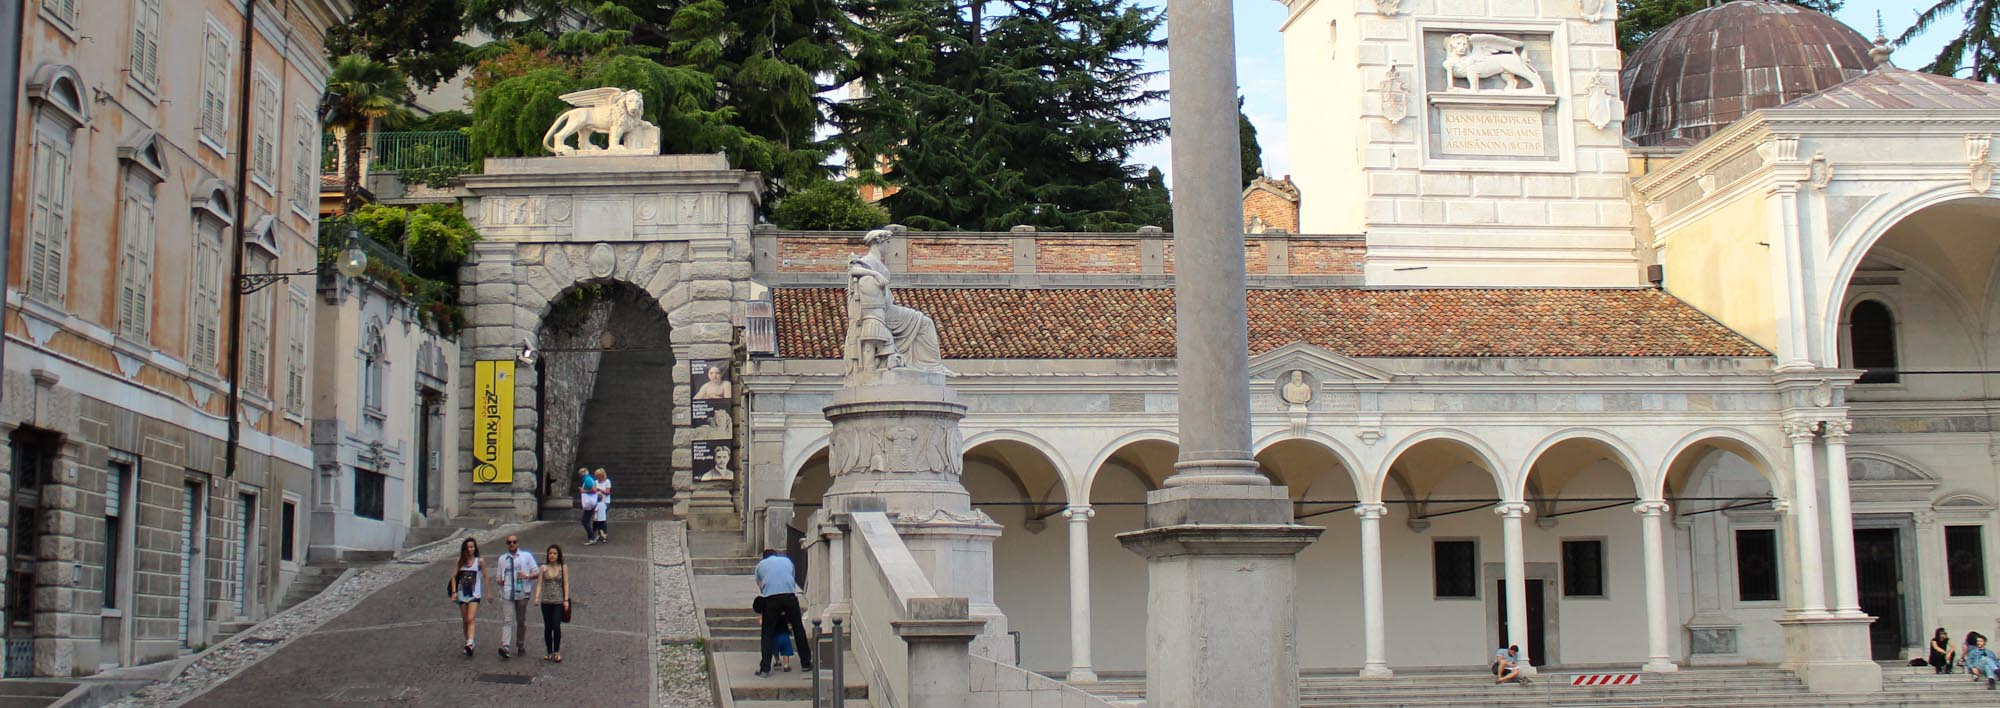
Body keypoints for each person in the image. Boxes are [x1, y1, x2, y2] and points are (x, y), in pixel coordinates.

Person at [753, 549, 813, 678]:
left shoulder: (760, 565)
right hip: (789, 596)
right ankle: (806, 663)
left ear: (764, 558)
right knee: (798, 628)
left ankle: (765, 669)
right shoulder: (787, 561)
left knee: (767, 632)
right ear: (776, 555)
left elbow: (761, 585)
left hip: (771, 598)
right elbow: (791, 577)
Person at [494, 534, 541, 659]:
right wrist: (500, 581)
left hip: (522, 593)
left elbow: (536, 572)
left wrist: (526, 576)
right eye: (509, 542)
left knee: (521, 621)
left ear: (518, 543)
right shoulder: (502, 559)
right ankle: (505, 646)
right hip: (507, 593)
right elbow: (498, 577)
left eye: (514, 542)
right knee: (507, 620)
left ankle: (520, 643)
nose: (512, 544)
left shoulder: (526, 556)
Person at [534, 544, 571, 663]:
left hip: (558, 601)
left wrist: (566, 600)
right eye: (550, 553)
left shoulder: (563, 567)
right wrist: (536, 597)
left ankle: (557, 651)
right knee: (548, 627)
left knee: (556, 625)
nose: (552, 555)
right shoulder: (543, 568)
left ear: (558, 555)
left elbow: (565, 583)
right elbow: (539, 584)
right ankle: (549, 652)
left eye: (554, 553)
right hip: (546, 601)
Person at [448, 538, 483, 656]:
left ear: (475, 548)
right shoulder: (460, 561)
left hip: (474, 594)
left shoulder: (479, 561)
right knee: (465, 620)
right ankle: (468, 642)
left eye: (472, 547)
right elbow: (453, 576)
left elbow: (486, 577)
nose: (470, 549)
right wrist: (454, 592)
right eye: (468, 547)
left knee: (470, 618)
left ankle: (470, 642)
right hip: (462, 594)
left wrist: (488, 592)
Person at [591, 469, 612, 544]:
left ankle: (604, 534)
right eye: (596, 476)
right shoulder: (595, 482)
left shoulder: (607, 482)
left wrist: (599, 489)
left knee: (602, 518)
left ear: (602, 475)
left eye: (598, 476)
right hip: (597, 502)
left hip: (605, 502)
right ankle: (600, 534)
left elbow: (607, 492)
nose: (597, 477)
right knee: (597, 519)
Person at [577, 468, 596, 538]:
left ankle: (592, 537)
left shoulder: (587, 479)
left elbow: (594, 490)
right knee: (586, 520)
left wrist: (584, 491)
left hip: (589, 503)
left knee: (584, 521)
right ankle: (590, 536)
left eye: (581, 472)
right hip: (590, 503)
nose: (579, 473)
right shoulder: (588, 479)